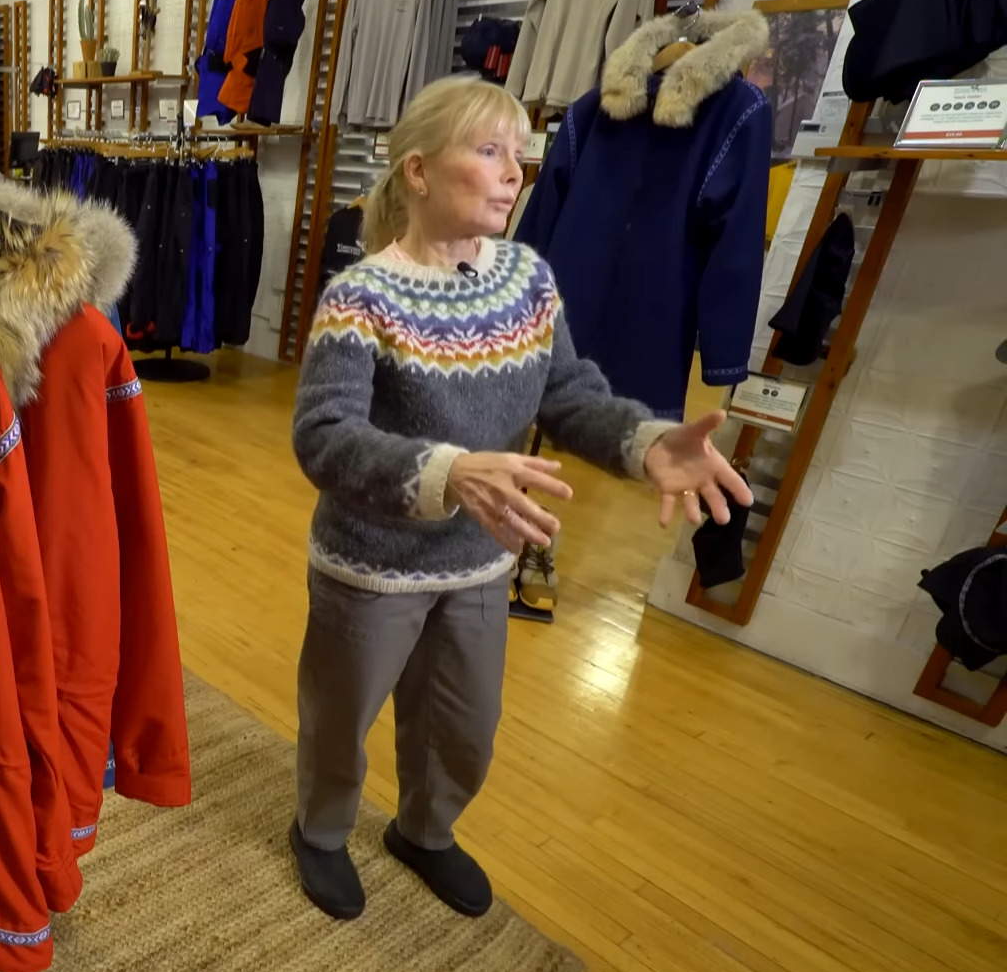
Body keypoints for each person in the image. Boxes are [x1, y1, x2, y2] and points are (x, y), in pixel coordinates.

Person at [289, 75, 751, 921]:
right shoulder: (361, 296)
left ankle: (424, 832)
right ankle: (319, 832)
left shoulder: (528, 280)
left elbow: (567, 394)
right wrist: (449, 472)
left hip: (477, 559)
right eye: (489, 150)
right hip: (372, 563)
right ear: (420, 172)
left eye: (519, 153)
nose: (514, 172)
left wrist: (646, 443)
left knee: (464, 724)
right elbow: (323, 436)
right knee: (339, 718)